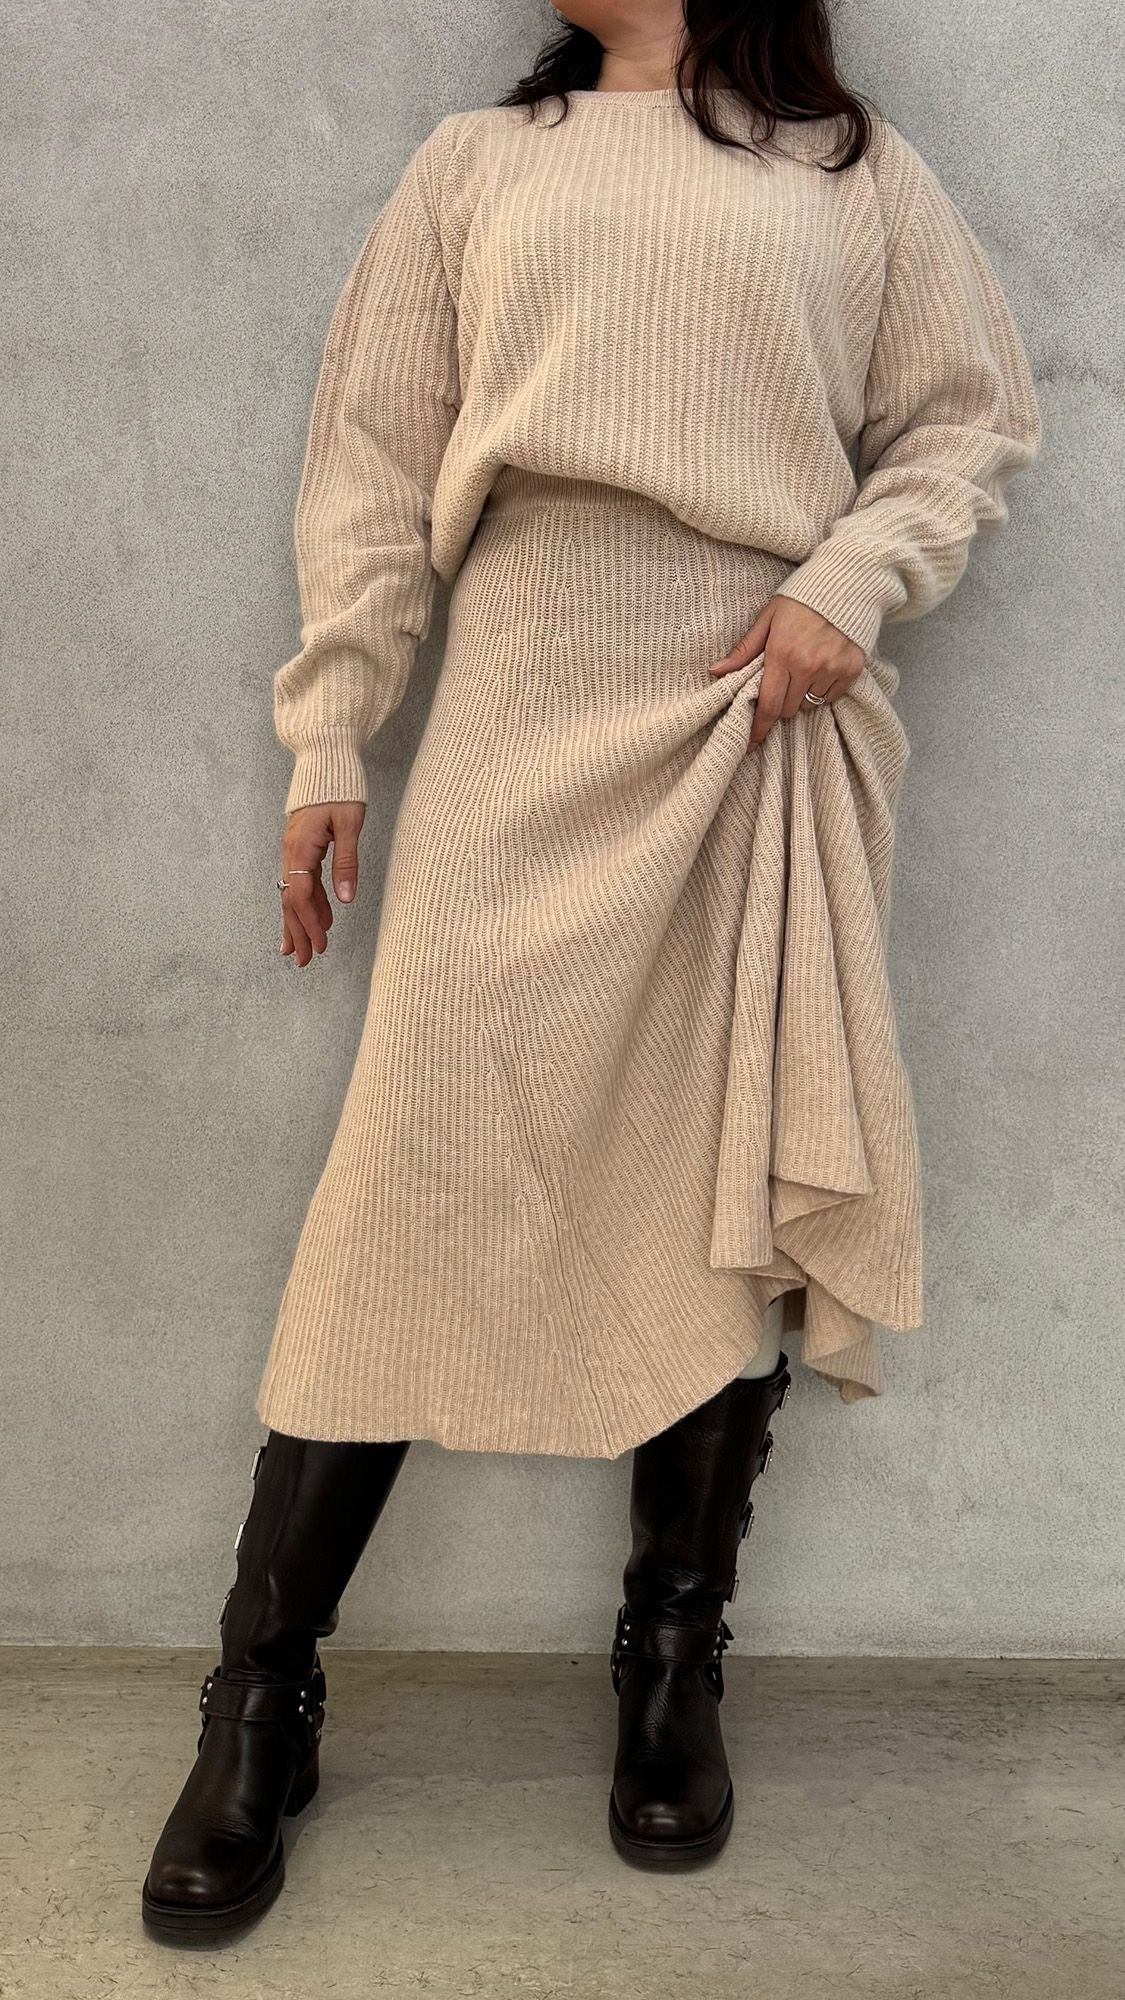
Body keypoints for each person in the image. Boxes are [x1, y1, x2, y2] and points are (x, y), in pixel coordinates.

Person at [141, 0, 1041, 1938]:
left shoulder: (849, 172)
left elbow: (967, 421)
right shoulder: (478, 166)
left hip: (748, 708)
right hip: (519, 690)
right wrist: (328, 734)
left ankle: (667, 1669)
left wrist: (843, 583)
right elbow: (369, 467)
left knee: (712, 1184)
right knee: (402, 1189)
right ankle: (260, 1698)